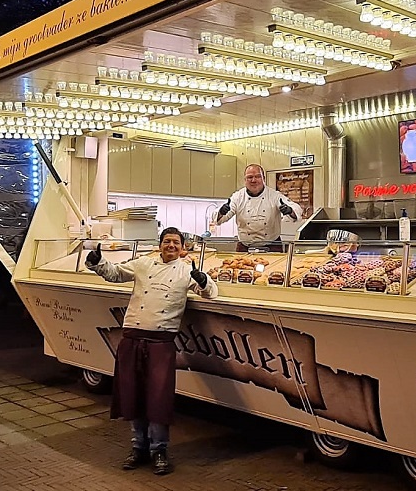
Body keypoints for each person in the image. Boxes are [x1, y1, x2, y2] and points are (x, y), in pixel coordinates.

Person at [85, 227, 217, 475]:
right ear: (159, 245)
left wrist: (203, 280)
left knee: (158, 399)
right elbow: (115, 274)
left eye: (175, 242)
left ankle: (159, 450)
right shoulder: (143, 264)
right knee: (133, 395)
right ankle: (138, 448)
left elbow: (211, 293)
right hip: (132, 338)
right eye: (166, 241)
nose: (171, 246)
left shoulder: (186, 270)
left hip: (161, 342)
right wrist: (97, 262)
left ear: (182, 247)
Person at [213, 163, 303, 252]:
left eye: (257, 176)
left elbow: (297, 209)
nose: (253, 180)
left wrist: (289, 210)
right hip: (244, 247)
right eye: (250, 177)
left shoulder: (274, 196)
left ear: (264, 179)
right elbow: (220, 219)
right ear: (245, 180)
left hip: (272, 247)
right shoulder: (237, 197)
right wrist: (221, 212)